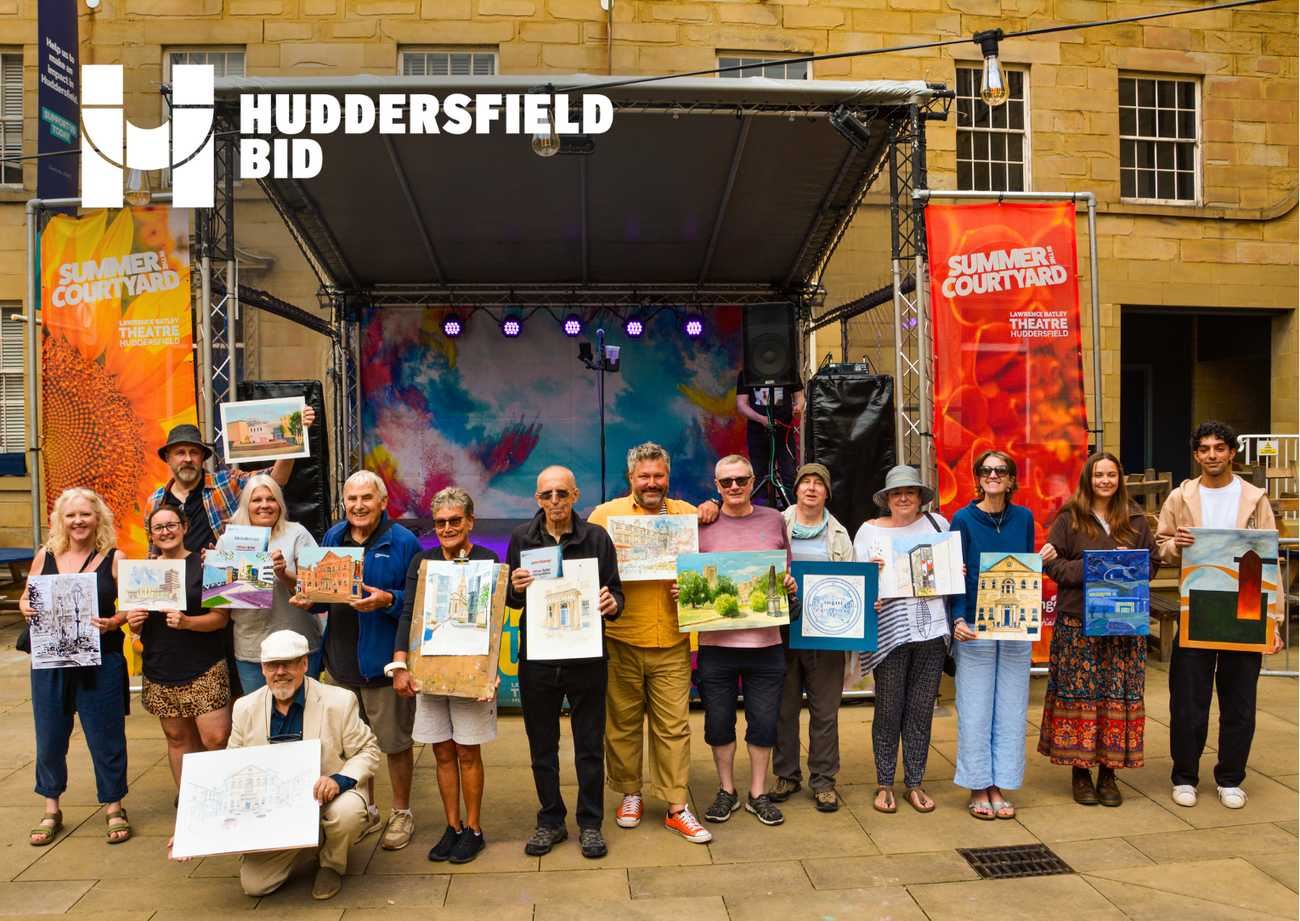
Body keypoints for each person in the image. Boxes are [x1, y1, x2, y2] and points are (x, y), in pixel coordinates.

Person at [587, 443, 716, 843]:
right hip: (621, 638)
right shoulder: (605, 516)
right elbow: (583, 568)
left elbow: (714, 570)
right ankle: (630, 793)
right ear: (631, 478)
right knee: (622, 726)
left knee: (674, 728)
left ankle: (677, 805)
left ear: (668, 477)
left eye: (658, 476)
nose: (651, 483)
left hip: (673, 640)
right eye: (644, 476)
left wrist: (697, 586)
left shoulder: (687, 516)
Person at [1156, 421, 1282, 810]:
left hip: (1244, 607)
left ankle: (1230, 777)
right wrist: (1174, 545)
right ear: (1196, 455)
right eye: (1204, 449)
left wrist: (1272, 621)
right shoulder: (1181, 496)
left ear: (1231, 453)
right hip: (1197, 607)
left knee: (1239, 700)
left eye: (1219, 448)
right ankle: (1185, 776)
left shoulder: (1255, 498)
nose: (1212, 455)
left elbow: (1269, 561)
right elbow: (1161, 544)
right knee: (1188, 699)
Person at [506, 466, 624, 859]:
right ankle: (550, 821)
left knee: (590, 744)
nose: (554, 501)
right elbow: (512, 600)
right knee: (542, 745)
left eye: (562, 493)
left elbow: (616, 595)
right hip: (538, 657)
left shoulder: (596, 537)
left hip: (587, 656)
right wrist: (515, 588)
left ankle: (590, 824)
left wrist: (612, 604)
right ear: (536, 499)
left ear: (575, 495)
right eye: (546, 495)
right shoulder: (522, 538)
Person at [305, 470, 422, 850]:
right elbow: (327, 595)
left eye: (366, 498)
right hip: (340, 664)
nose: (358, 506)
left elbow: (417, 602)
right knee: (354, 746)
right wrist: (310, 597)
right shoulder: (333, 538)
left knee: (394, 743)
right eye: (352, 499)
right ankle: (367, 808)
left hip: (384, 665)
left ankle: (401, 813)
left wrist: (387, 600)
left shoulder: (404, 542)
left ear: (383, 502)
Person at [1038, 452, 1158, 806]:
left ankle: (1109, 774)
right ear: (1088, 479)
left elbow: (1150, 566)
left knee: (1115, 698)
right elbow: (1053, 566)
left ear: (1120, 479)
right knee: (1081, 697)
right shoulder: (1069, 518)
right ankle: (1080, 773)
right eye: (1098, 475)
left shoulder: (1135, 518)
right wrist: (1099, 568)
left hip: (1123, 624)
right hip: (1078, 623)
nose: (1105, 481)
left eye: (1111, 475)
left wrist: (1129, 565)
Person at [228, 630, 381, 901]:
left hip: (326, 799)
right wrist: (196, 833)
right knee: (255, 886)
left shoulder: (339, 700)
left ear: (304, 665)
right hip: (274, 808)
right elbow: (230, 768)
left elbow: (368, 751)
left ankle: (332, 864)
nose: (280, 672)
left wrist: (338, 780)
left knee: (348, 812)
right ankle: (310, 844)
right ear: (262, 669)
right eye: (273, 665)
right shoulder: (244, 708)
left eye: (289, 663)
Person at [688, 454, 798, 828]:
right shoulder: (702, 523)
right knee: (718, 723)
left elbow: (786, 571)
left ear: (753, 481)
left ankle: (757, 793)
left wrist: (789, 585)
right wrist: (684, 591)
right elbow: (686, 574)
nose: (734, 487)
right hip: (716, 646)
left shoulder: (774, 519)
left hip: (766, 645)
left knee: (764, 723)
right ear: (716, 487)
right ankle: (726, 790)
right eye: (726, 482)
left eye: (741, 480)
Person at [393, 487, 501, 865]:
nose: (448, 528)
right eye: (440, 522)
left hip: (470, 675)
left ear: (470, 522)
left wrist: (491, 672)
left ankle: (473, 829)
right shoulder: (422, 563)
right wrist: (400, 664)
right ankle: (451, 826)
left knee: (468, 752)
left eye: (456, 521)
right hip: (430, 671)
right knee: (441, 751)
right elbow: (408, 612)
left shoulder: (488, 560)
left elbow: (494, 623)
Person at [20, 488, 131, 846]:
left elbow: (132, 606)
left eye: (85, 514)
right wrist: (25, 607)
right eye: (71, 516)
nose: (78, 521)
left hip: (101, 661)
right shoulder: (46, 555)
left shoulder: (114, 558)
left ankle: (114, 806)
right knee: (50, 736)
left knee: (105, 736)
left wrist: (115, 621)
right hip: (50, 662)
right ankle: (51, 807)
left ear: (98, 518)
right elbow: (27, 596)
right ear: (60, 521)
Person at [853, 465, 950, 815]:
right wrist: (869, 591)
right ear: (887, 499)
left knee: (921, 710)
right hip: (888, 632)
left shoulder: (940, 525)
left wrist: (957, 571)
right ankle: (884, 783)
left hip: (932, 631)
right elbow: (856, 581)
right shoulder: (867, 532)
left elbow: (951, 572)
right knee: (889, 709)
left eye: (910, 491)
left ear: (921, 497)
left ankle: (915, 782)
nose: (904, 497)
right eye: (897, 493)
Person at [949, 451, 1038, 820]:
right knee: (974, 707)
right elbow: (956, 571)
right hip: (974, 624)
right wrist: (956, 617)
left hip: (1016, 625)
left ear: (1012, 478)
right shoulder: (963, 519)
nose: (993, 475)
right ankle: (977, 783)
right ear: (977, 478)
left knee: (1012, 708)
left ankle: (1000, 783)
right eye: (986, 470)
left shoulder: (1025, 517)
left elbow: (1026, 568)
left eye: (1001, 470)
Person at [124, 505, 231, 806]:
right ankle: (191, 804)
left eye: (172, 525)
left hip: (204, 665)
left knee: (215, 738)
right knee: (177, 739)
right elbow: (136, 626)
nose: (166, 532)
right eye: (159, 528)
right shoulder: (143, 572)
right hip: (161, 667)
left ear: (184, 527)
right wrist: (134, 624)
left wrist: (188, 622)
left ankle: (221, 800)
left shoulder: (206, 564)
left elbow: (221, 618)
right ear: (151, 535)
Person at [770, 462, 854, 813]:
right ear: (797, 488)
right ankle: (786, 775)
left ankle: (823, 781)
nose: (811, 488)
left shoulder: (839, 534)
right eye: (805, 481)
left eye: (818, 483)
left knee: (825, 711)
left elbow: (851, 584)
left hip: (826, 636)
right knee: (784, 709)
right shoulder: (776, 524)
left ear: (826, 492)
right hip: (784, 631)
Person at [147, 408, 313, 553]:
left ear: (203, 458)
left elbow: (275, 480)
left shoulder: (227, 483)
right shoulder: (155, 501)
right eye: (180, 453)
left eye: (194, 452)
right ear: (168, 458)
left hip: (222, 582)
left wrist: (298, 433)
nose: (188, 459)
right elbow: (154, 551)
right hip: (176, 584)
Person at [223, 474, 320, 692]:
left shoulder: (297, 533)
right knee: (261, 718)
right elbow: (224, 599)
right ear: (246, 504)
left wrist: (284, 574)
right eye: (257, 500)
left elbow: (316, 589)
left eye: (271, 499)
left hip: (298, 643)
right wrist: (215, 573)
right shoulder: (229, 540)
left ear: (280, 503)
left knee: (304, 715)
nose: (264, 505)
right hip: (252, 648)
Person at [735, 372, 803, 508]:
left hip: (784, 431)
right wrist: (762, 420)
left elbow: (800, 396)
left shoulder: (788, 369)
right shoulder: (747, 372)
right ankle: (762, 513)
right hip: (757, 432)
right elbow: (741, 404)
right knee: (759, 475)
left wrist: (798, 406)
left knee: (789, 476)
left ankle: (793, 512)